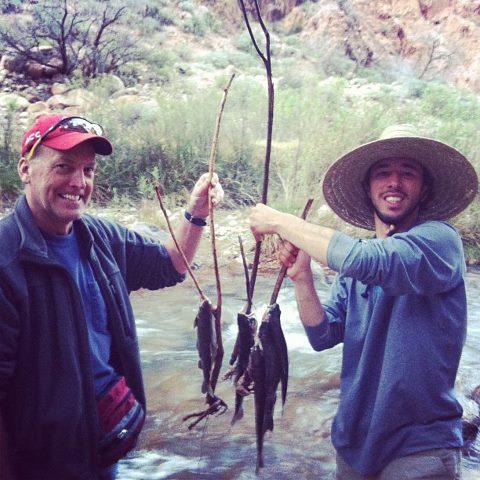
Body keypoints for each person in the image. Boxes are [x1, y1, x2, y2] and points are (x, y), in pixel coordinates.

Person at [0, 114, 223, 480]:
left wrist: (196, 213)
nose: (78, 182)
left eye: (88, 170)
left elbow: (170, 265)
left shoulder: (101, 237)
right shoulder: (6, 258)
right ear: (26, 169)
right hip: (41, 463)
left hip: (104, 444)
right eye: (63, 167)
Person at [249, 124, 478, 480]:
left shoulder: (440, 240)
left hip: (419, 450)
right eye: (383, 173)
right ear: (368, 187)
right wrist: (302, 278)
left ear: (425, 188)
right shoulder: (358, 260)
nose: (394, 182)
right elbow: (322, 335)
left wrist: (280, 221)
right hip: (353, 448)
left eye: (408, 173)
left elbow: (369, 261)